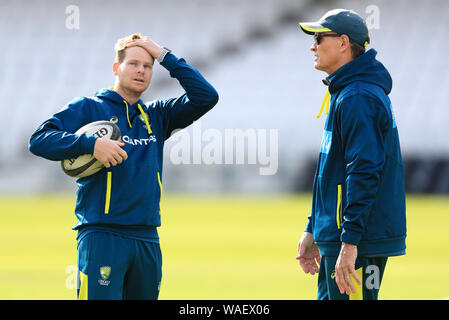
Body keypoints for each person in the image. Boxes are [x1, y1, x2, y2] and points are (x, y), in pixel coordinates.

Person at [29, 33, 219, 300]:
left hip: (147, 237)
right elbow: (38, 140)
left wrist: (163, 54)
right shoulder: (88, 107)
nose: (141, 70)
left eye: (147, 66)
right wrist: (90, 145)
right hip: (102, 235)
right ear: (116, 68)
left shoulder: (158, 115)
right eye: (133, 64)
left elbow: (206, 97)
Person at [295, 9, 406, 300]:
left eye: (319, 38)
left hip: (357, 241)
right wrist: (314, 227)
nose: (313, 46)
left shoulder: (357, 96)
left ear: (343, 43)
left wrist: (350, 241)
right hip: (340, 236)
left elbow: (364, 170)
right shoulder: (348, 91)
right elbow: (334, 171)